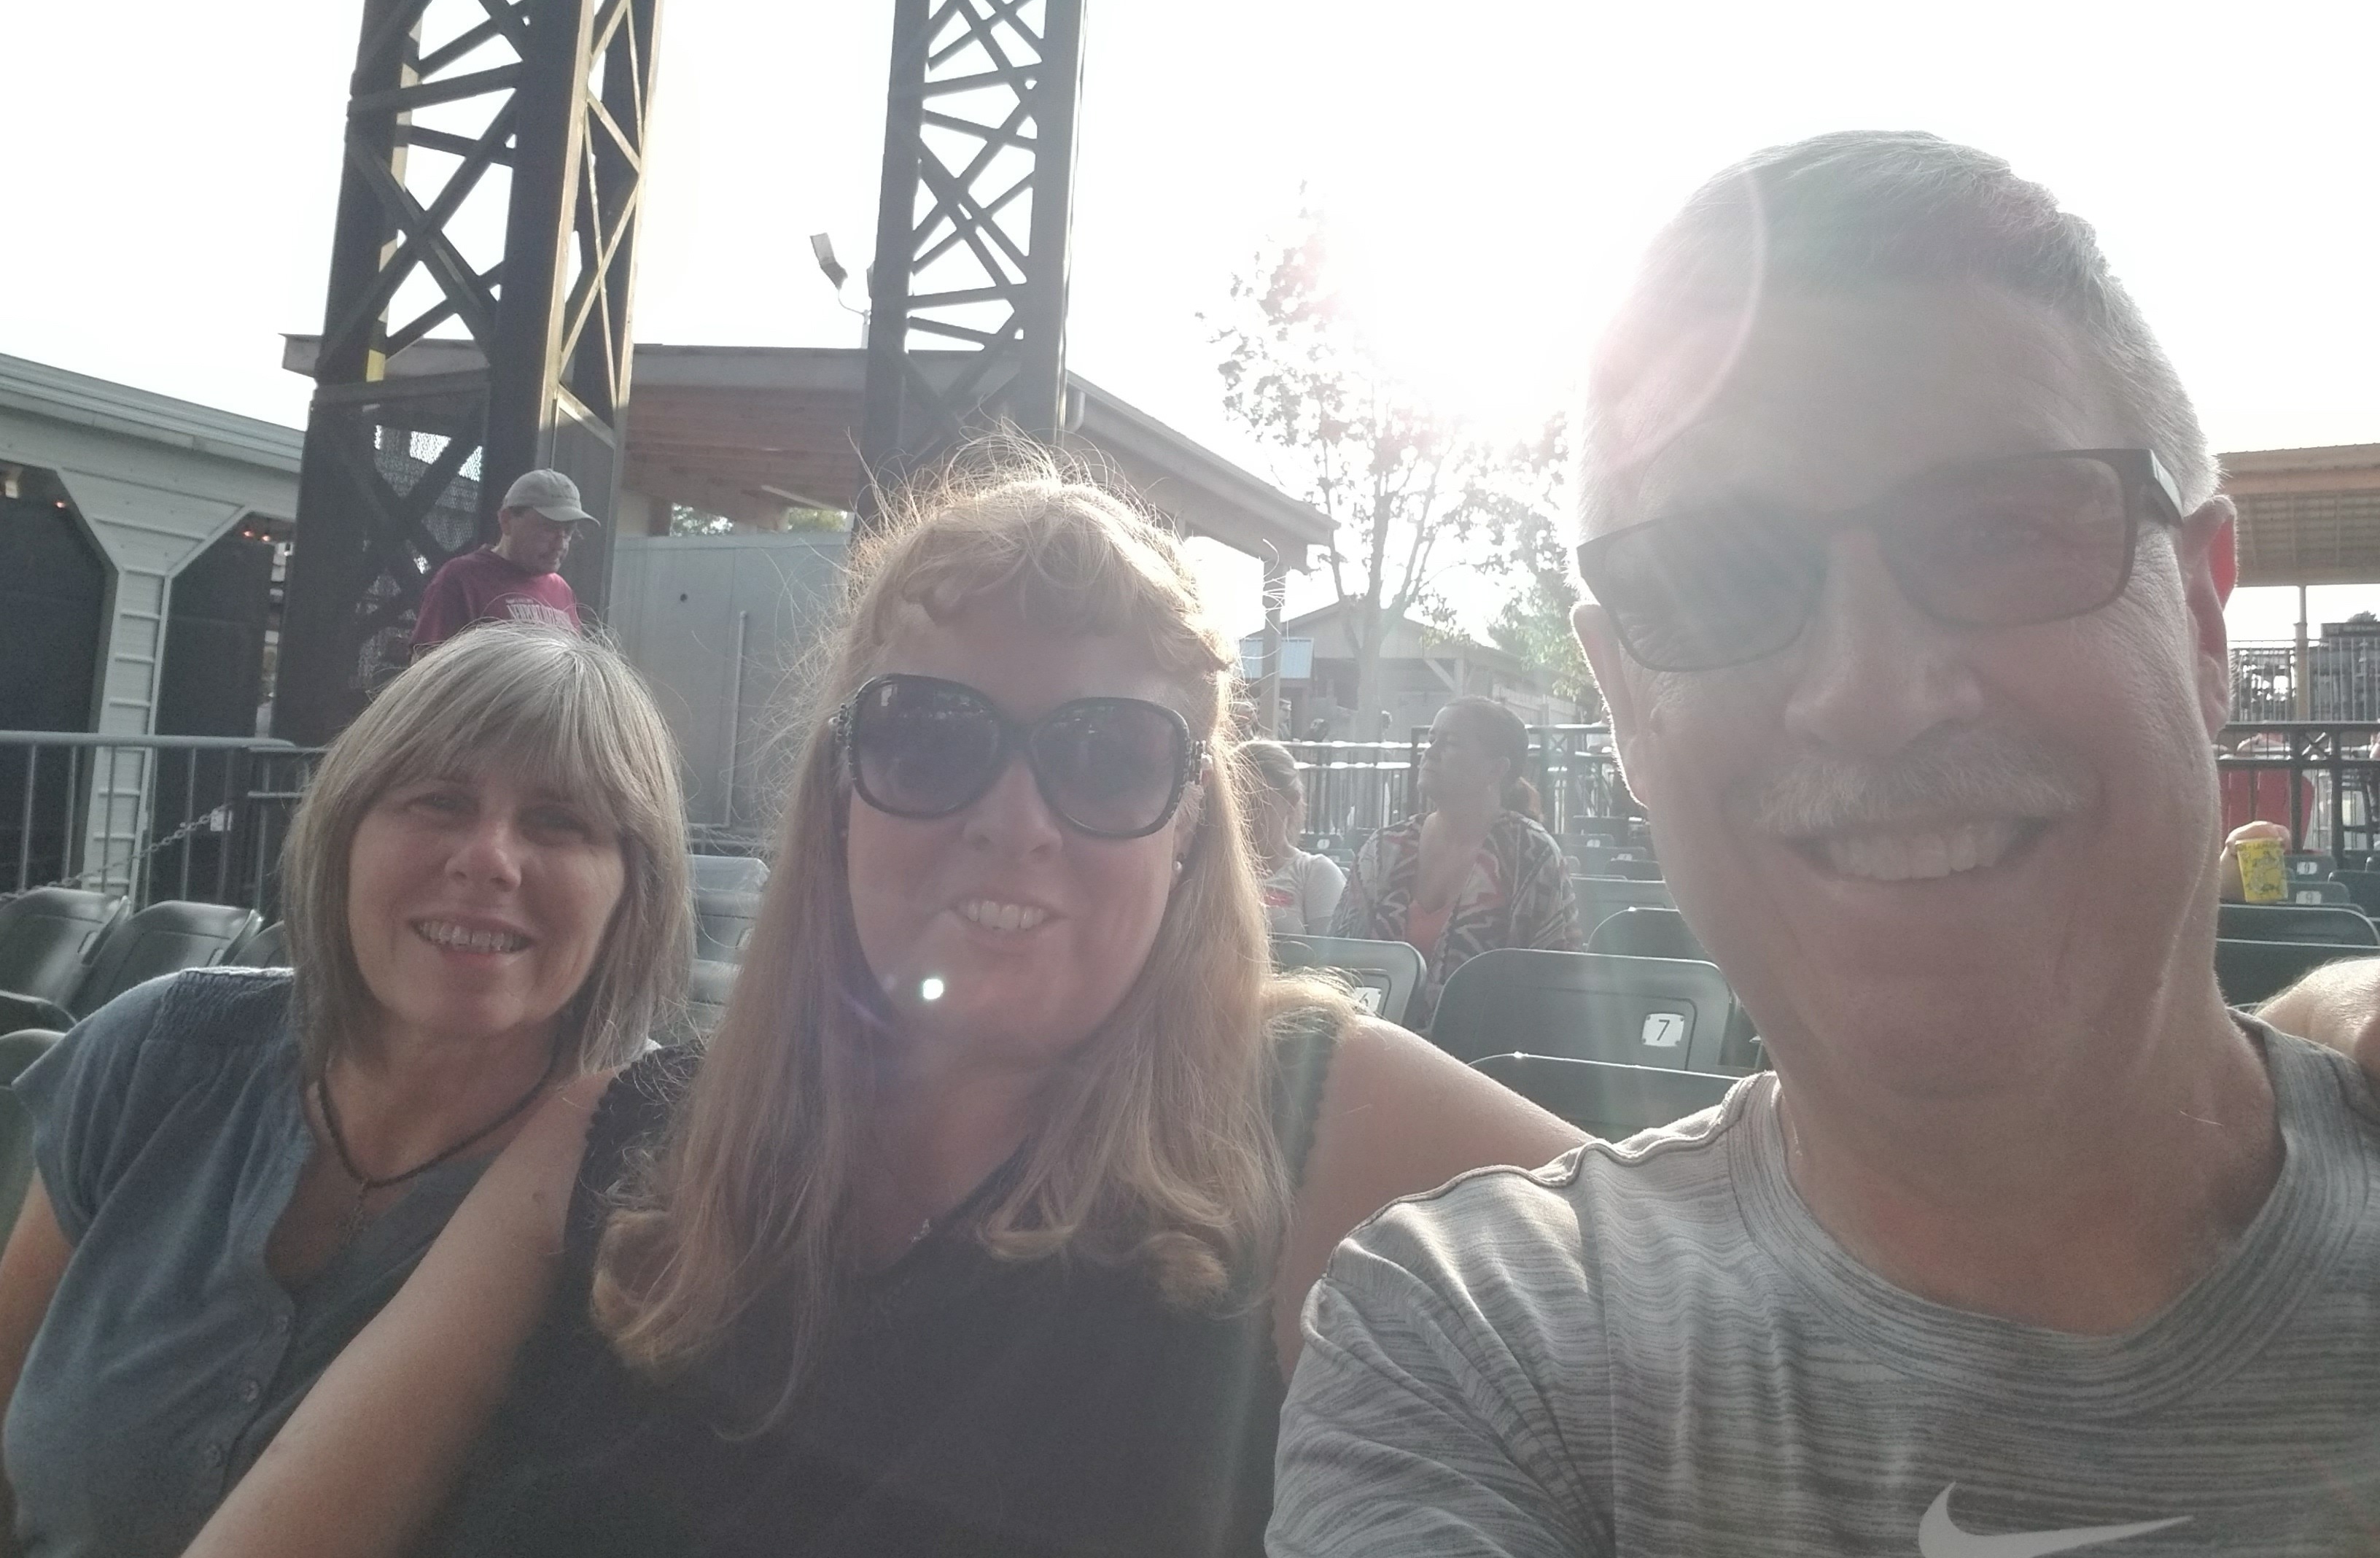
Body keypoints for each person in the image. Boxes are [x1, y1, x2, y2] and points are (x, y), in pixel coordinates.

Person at [1272, 133, 2380, 1552]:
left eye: (1998, 531)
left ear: (2204, 620)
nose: (1868, 691)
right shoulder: (1477, 1347)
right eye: (1718, 578)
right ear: (1622, 704)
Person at [184, 462, 1579, 1558]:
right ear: (836, 792)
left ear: (1188, 834)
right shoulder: (604, 1148)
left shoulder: (1323, 1122)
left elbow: (1712, 1328)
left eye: (1107, 757)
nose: (1014, 819)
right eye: (927, 736)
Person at [0, 621, 689, 1558]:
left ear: (633, 889)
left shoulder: (658, 1180)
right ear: (344, 834)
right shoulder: (157, 1052)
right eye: (439, 801)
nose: (488, 858)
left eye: (559, 822)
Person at [1333, 695, 1579, 1020]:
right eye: (1431, 739)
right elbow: (1337, 962)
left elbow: (1551, 986)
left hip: (1482, 1041)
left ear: (1496, 769)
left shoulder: (1530, 855)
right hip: (1375, 1037)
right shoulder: (1384, 848)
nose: (1429, 752)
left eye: (1450, 743)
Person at [410, 470, 595, 654]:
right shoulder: (461, 579)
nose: (560, 544)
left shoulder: (562, 590)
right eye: (549, 529)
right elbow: (425, 663)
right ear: (506, 520)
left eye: (568, 532)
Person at [1241, 740, 1344, 937]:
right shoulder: (1209, 871)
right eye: (1238, 803)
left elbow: (1329, 953)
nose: (1246, 815)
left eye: (1257, 803)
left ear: (1291, 802)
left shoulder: (1315, 872)